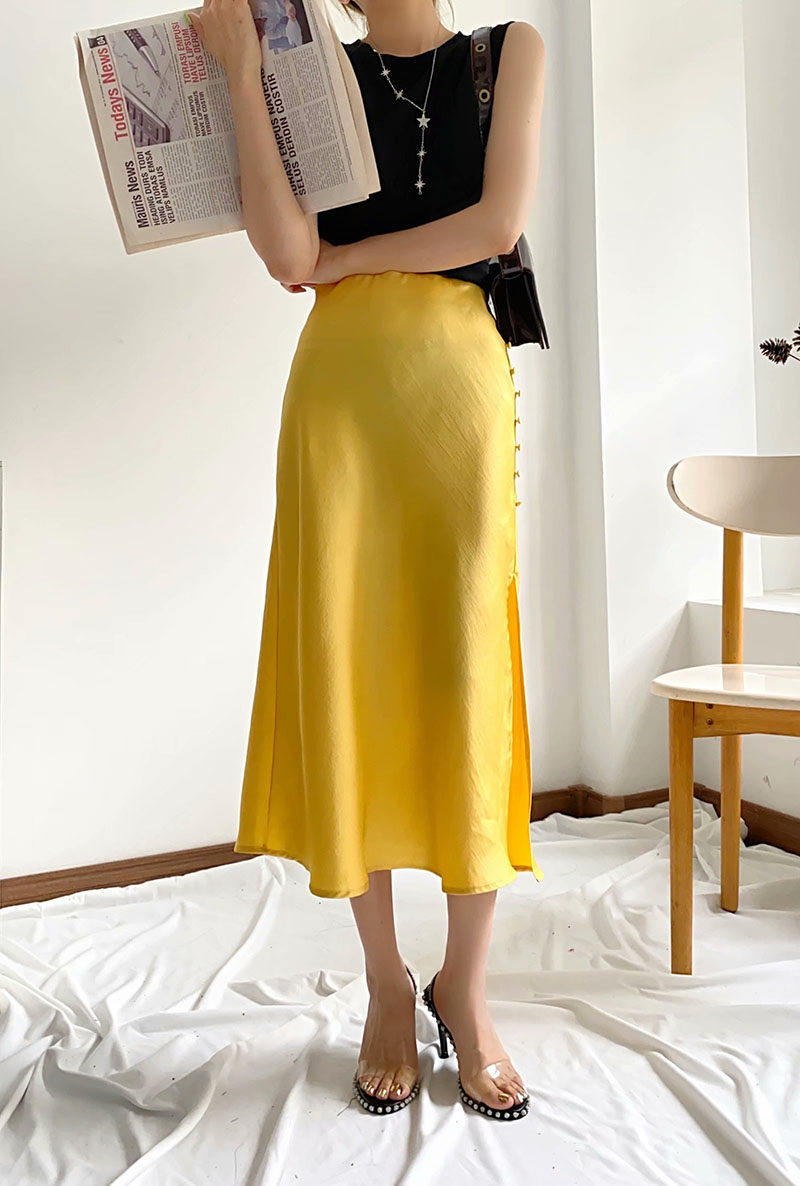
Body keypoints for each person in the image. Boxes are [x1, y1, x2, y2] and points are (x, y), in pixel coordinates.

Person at [187, 0, 546, 1123]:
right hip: (338, 404)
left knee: (464, 674)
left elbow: (494, 226)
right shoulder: (312, 75)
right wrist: (241, 73)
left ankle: (464, 987)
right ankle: (388, 984)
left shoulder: (507, 53)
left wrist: (353, 256)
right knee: (349, 667)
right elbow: (290, 258)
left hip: (455, 399)